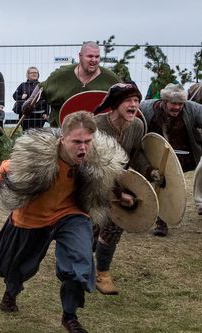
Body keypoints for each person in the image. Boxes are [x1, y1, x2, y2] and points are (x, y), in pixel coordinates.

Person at [0, 111, 127, 333]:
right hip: (33, 216)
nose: (83, 148)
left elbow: (108, 179)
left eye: (87, 142)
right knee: (17, 266)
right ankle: (11, 292)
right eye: (76, 141)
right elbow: (2, 170)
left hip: (70, 214)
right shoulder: (35, 159)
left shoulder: (96, 158)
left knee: (79, 260)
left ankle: (70, 316)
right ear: (62, 139)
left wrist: (122, 195)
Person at [92, 82, 156, 295]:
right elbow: (94, 163)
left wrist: (149, 171)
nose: (134, 105)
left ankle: (102, 273)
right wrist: (117, 191)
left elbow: (136, 154)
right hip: (94, 181)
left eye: (137, 101)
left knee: (114, 225)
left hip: (122, 180)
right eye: (129, 100)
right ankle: (83, 259)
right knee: (91, 227)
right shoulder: (98, 125)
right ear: (116, 103)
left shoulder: (137, 126)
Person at [140, 83, 202, 236]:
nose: (177, 107)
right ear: (164, 101)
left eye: (180, 103)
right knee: (160, 178)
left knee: (168, 181)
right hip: (153, 154)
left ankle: (163, 218)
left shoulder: (192, 109)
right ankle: (160, 220)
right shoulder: (146, 109)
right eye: (174, 103)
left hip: (184, 155)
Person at [38, 41, 120, 127]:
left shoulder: (111, 79)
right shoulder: (62, 75)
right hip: (61, 131)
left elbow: (126, 98)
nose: (94, 60)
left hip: (98, 134)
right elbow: (41, 88)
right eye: (90, 56)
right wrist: (30, 101)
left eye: (97, 56)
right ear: (80, 56)